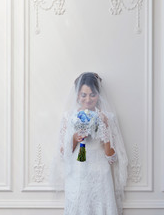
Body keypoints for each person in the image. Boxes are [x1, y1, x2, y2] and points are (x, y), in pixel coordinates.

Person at [50, 72, 128, 215]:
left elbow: (112, 157)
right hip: (77, 174)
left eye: (92, 94)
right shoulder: (69, 117)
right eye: (83, 94)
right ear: (77, 95)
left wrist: (105, 127)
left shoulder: (108, 117)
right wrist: (75, 138)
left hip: (100, 176)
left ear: (99, 95)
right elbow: (63, 153)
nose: (88, 99)